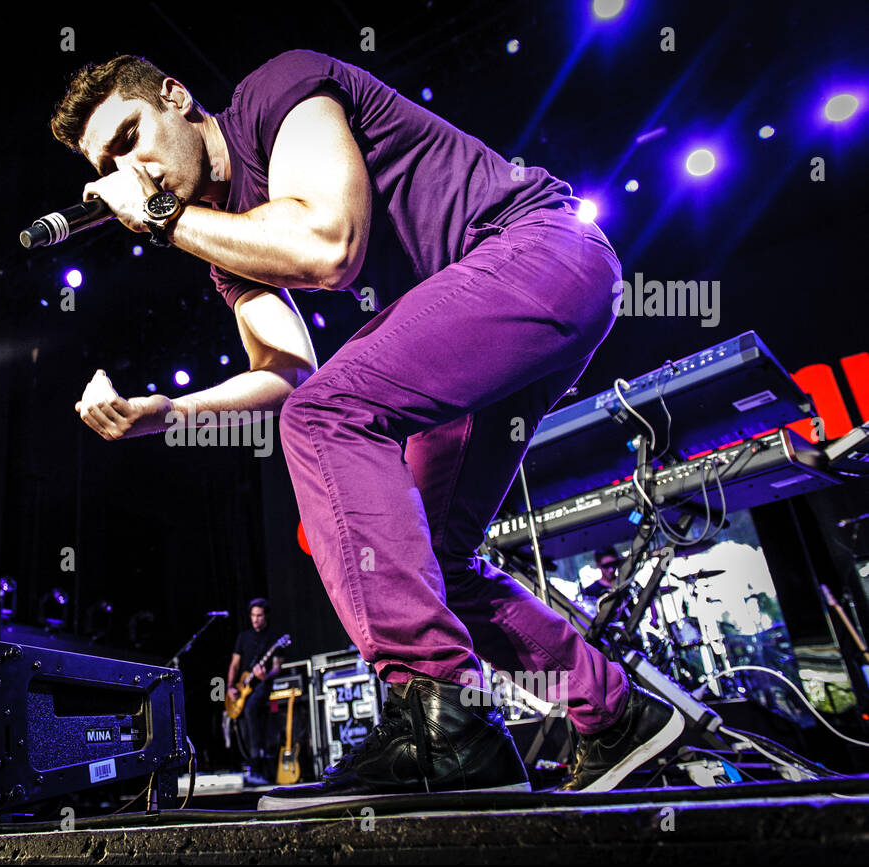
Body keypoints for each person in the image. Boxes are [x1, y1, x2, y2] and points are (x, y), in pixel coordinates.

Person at [52, 49, 683, 804]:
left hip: (539, 252)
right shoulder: (226, 249)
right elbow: (285, 372)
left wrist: (163, 218)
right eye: (107, 161)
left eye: (129, 138)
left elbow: (330, 246)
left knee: (328, 419)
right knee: (430, 565)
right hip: (486, 326)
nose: (130, 167)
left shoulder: (274, 95)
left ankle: (438, 715)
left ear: (176, 97)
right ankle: (614, 713)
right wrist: (170, 413)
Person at [226, 598, 284, 783]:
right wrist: (229, 687)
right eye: (253, 615)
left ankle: (258, 765)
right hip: (242, 687)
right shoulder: (243, 637)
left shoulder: (274, 638)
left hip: (262, 685)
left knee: (251, 709)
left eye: (259, 615)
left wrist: (265, 676)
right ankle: (249, 764)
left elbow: (277, 668)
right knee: (241, 720)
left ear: (266, 616)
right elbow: (234, 665)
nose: (256, 619)